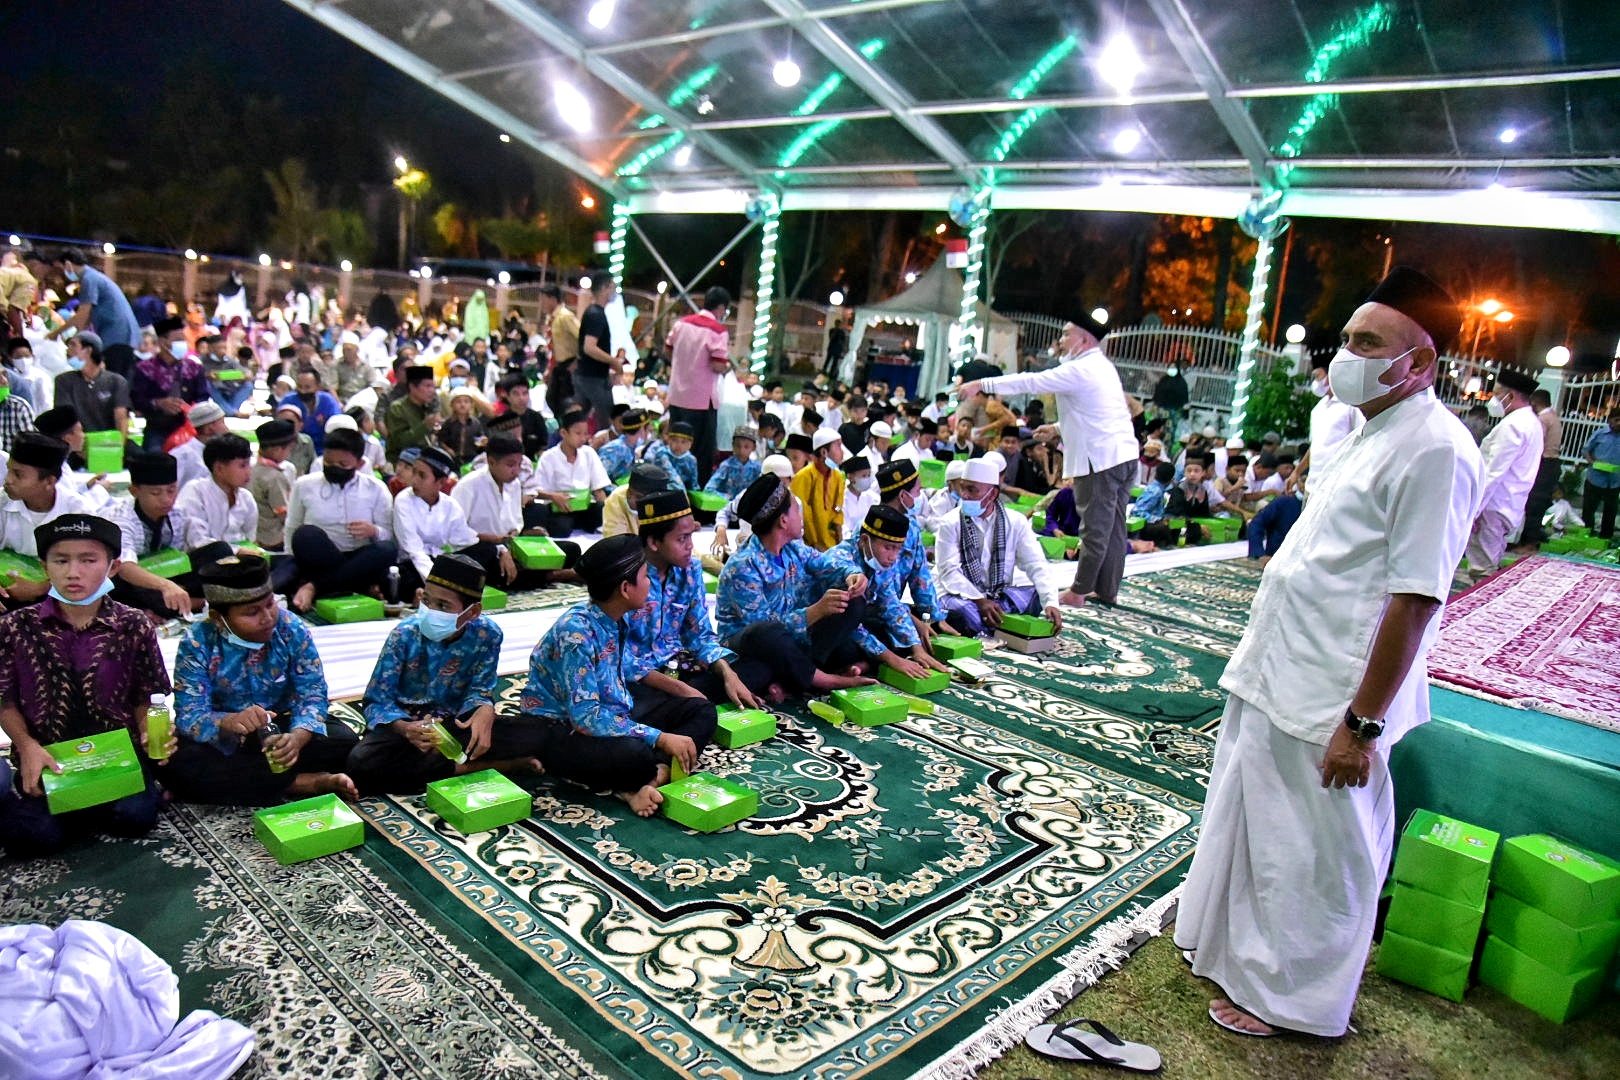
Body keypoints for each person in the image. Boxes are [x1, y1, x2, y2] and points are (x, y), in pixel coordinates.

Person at [1175, 266, 1483, 1039]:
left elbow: (1415, 598)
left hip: (1337, 692)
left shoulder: (1437, 448)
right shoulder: (1368, 428)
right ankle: (1236, 958)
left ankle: (1298, 1002)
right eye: (1345, 337)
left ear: (1420, 362)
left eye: (1367, 341)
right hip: (1284, 666)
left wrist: (1363, 722)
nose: (1347, 352)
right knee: (1259, 827)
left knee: (1318, 853)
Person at [0, 515, 173, 858]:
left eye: (88, 560)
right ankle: (69, 805)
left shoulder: (133, 624)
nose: (73, 572)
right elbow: (4, 699)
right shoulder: (15, 627)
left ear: (112, 568)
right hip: (50, 758)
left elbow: (145, 694)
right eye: (61, 560)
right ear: (44, 567)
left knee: (134, 818)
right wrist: (27, 746)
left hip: (116, 757)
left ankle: (107, 799)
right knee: (33, 838)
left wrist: (148, 729)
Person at [521, 535, 717, 816]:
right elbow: (586, 717)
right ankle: (639, 780)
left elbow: (629, 666)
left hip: (612, 711)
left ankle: (653, 775)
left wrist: (681, 690)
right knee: (634, 755)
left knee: (702, 710)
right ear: (626, 588)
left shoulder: (614, 616)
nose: (650, 583)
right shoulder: (575, 634)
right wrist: (659, 738)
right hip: (561, 728)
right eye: (644, 577)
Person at [961, 312, 1138, 608]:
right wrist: (1057, 429)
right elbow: (1098, 412)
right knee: (1115, 527)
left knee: (1095, 527)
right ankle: (1106, 589)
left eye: (1068, 333)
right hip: (1122, 455)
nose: (1062, 339)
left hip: (1101, 460)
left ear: (1083, 339)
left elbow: (1032, 381)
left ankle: (1079, 591)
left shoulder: (1083, 368)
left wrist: (982, 383)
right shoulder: (1101, 367)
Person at [162, 555, 359, 805]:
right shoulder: (197, 641)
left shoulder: (291, 628)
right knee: (175, 761)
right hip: (229, 740)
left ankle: (263, 782)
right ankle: (305, 783)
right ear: (218, 617)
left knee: (346, 744)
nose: (267, 617)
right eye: (252, 612)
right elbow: (190, 716)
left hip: (284, 727)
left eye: (270, 604)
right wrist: (230, 722)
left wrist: (297, 739)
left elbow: (312, 693)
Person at [347, 554, 546, 794]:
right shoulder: (404, 635)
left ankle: (451, 766)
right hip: (408, 731)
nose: (430, 611)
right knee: (361, 762)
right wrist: (406, 728)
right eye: (427, 601)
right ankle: (493, 766)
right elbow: (376, 700)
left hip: (454, 725)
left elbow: (479, 691)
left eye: (443, 606)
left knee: (535, 734)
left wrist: (485, 708)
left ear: (472, 613)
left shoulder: (488, 635)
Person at [714, 474, 883, 696]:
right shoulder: (743, 567)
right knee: (760, 661)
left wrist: (852, 574)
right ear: (783, 521)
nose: (801, 515)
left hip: (794, 642)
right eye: (796, 509)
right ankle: (824, 680)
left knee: (855, 604)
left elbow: (828, 563)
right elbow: (764, 630)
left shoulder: (792, 549)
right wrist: (815, 611)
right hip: (752, 647)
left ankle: (795, 678)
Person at [623, 490, 771, 709]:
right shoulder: (626, 577)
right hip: (640, 678)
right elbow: (616, 656)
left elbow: (700, 633)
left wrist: (728, 674)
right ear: (654, 542)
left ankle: (688, 705)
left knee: (755, 671)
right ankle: (685, 706)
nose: (690, 545)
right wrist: (681, 690)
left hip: (679, 667)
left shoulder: (690, 569)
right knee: (635, 702)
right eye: (682, 538)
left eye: (691, 535)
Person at [934, 458, 1063, 636]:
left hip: (996, 595)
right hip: (958, 595)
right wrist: (980, 601)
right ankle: (996, 623)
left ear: (992, 494)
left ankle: (992, 620)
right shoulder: (950, 522)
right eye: (963, 487)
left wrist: (1051, 602)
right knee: (963, 612)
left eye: (971, 489)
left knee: (1035, 596)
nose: (964, 494)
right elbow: (949, 572)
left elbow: (1036, 563)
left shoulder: (1016, 522)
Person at [283, 427, 397, 611]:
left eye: (343, 464)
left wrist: (373, 531)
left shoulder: (375, 488)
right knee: (305, 534)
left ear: (359, 464)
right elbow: (291, 526)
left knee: (387, 549)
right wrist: (291, 562)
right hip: (319, 559)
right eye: (328, 462)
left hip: (360, 559)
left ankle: (315, 587)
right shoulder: (305, 485)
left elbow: (388, 535)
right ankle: (357, 587)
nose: (334, 468)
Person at [1465, 367, 1542, 577]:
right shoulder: (1531, 422)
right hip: (1508, 502)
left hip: (1493, 504)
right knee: (1491, 560)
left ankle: (1480, 606)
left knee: (1482, 567)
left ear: (1511, 396)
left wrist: (1475, 509)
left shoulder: (1512, 426)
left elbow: (1493, 472)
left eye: (1498, 394)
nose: (1494, 399)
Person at [665, 286, 733, 485]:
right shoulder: (718, 330)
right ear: (721, 308)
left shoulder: (681, 324)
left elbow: (668, 350)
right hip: (702, 402)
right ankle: (696, 497)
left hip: (677, 397)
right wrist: (727, 366)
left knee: (675, 447)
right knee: (701, 454)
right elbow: (718, 363)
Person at [45, 249, 141, 378]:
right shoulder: (94, 277)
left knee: (113, 381)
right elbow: (85, 319)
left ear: (68, 264)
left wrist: (55, 334)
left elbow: (82, 317)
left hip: (116, 337)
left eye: (61, 269)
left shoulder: (89, 280)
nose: (62, 274)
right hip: (123, 336)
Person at [131, 316, 211, 451]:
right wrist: (159, 403)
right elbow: (137, 400)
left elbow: (203, 396)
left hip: (188, 429)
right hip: (156, 430)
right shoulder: (144, 369)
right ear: (163, 342)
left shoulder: (194, 367)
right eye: (178, 340)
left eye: (183, 339)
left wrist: (189, 408)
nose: (183, 343)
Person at [1289, 362, 1365, 498]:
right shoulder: (1318, 409)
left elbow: (1363, 439)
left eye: (1318, 376)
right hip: (1313, 484)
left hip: (1336, 484)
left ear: (1331, 375)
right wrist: (1297, 471)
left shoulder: (1350, 405)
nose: (1315, 382)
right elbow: (1315, 446)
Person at [175, 432, 258, 551]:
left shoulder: (246, 498)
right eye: (242, 466)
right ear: (219, 468)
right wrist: (236, 551)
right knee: (218, 551)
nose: (248, 471)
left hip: (242, 561)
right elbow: (197, 541)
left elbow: (250, 539)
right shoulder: (195, 492)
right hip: (206, 561)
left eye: (249, 464)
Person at [53, 332, 131, 438]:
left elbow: (121, 418)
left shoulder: (116, 381)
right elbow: (65, 418)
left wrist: (119, 448)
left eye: (73, 345)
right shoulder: (63, 381)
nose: (68, 349)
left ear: (88, 350)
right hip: (77, 442)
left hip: (109, 442)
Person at [1517, 388, 1564, 550]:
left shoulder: (1543, 419)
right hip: (1552, 464)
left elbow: (1535, 443)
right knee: (1539, 503)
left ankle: (1529, 542)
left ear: (1534, 403)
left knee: (1534, 504)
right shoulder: (1554, 417)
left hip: (1544, 464)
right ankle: (1530, 540)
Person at [575, 275, 623, 432]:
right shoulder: (596, 315)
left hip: (587, 376)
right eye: (612, 286)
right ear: (604, 288)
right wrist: (614, 362)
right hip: (593, 379)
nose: (614, 291)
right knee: (607, 423)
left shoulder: (593, 312)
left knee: (579, 422)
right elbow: (589, 347)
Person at [791, 428, 847, 551]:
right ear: (823, 452)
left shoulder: (837, 477)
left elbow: (838, 506)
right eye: (838, 446)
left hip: (832, 542)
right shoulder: (804, 477)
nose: (842, 452)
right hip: (808, 545)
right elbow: (804, 513)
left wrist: (839, 534)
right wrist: (814, 543)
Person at [248, 420, 299, 550]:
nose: (289, 453)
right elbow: (283, 513)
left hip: (255, 532)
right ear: (277, 450)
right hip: (273, 538)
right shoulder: (274, 477)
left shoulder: (251, 468)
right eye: (289, 449)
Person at [384, 366, 442, 462]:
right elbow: (399, 442)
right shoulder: (398, 408)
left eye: (433, 386)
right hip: (401, 461)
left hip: (425, 459)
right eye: (427, 386)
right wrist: (425, 426)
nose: (432, 391)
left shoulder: (429, 406)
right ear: (412, 387)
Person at [539, 284, 580, 420]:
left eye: (544, 299)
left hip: (569, 364)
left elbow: (581, 337)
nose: (542, 303)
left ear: (553, 299)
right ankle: (562, 426)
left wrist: (576, 362)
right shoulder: (551, 318)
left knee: (563, 401)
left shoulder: (565, 317)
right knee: (551, 398)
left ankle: (567, 427)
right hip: (558, 365)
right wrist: (549, 369)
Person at [170, 399, 229, 491]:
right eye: (222, 422)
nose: (227, 428)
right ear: (209, 428)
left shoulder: (225, 452)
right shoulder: (182, 455)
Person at [1582, 408, 1620, 540]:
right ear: (1610, 420)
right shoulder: (1600, 434)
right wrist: (1592, 462)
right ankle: (1587, 535)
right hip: (1596, 478)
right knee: (1588, 510)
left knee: (1610, 511)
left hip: (1614, 481)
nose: (1619, 423)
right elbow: (1586, 450)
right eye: (1617, 420)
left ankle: (1605, 539)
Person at [494, 371, 550, 458]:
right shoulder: (501, 420)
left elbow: (543, 446)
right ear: (507, 396)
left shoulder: (536, 417)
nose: (521, 398)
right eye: (516, 394)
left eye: (525, 393)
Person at [704, 425, 760, 497]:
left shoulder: (757, 468)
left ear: (753, 447)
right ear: (733, 445)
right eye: (738, 446)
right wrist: (726, 497)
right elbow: (709, 489)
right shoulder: (726, 466)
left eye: (746, 447)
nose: (741, 450)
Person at [646, 420, 699, 490]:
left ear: (690, 444)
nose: (679, 445)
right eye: (675, 440)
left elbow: (693, 484)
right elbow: (672, 476)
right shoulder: (662, 454)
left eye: (683, 442)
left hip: (680, 493)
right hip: (659, 490)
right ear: (669, 440)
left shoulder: (691, 460)